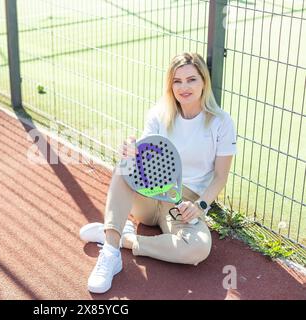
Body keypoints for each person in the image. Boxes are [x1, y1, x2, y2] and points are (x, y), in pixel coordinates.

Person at [80, 52, 237, 294]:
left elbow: (220, 176)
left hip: (182, 205)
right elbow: (140, 157)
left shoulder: (221, 122)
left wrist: (201, 206)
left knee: (198, 248)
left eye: (191, 79)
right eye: (177, 81)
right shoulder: (158, 115)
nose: (184, 87)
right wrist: (131, 147)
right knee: (125, 166)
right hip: (150, 196)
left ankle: (120, 237)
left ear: (203, 82)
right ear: (170, 85)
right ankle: (110, 253)